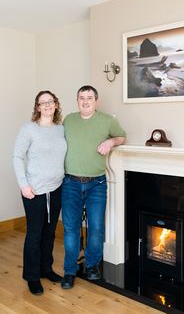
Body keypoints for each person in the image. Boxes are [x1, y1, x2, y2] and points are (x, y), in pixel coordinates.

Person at [61, 85, 126, 289]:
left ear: (96, 101)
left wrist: (111, 142)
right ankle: (69, 271)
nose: (85, 101)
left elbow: (122, 137)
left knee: (96, 229)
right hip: (70, 183)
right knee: (71, 229)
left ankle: (92, 266)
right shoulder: (68, 120)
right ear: (77, 100)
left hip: (96, 183)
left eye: (89, 97)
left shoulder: (107, 120)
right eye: (82, 97)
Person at [13, 91, 67, 295]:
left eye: (50, 102)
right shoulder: (29, 129)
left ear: (55, 105)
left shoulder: (61, 129)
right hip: (33, 190)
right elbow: (17, 156)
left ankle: (46, 269)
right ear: (37, 107)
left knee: (50, 232)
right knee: (35, 234)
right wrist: (23, 185)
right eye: (42, 103)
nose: (46, 105)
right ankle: (32, 276)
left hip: (56, 188)